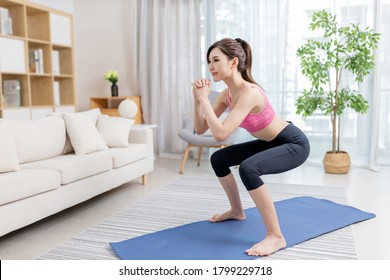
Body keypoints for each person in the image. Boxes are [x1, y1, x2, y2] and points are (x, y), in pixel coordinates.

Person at [192, 38, 310, 256]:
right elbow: (200, 129)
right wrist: (198, 100)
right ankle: (237, 211)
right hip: (269, 142)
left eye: (216, 60)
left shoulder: (249, 93)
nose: (210, 66)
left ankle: (276, 236)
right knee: (219, 159)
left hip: (294, 143)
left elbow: (220, 134)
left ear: (233, 62)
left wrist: (205, 100)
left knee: (248, 168)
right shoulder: (225, 95)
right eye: (209, 61)